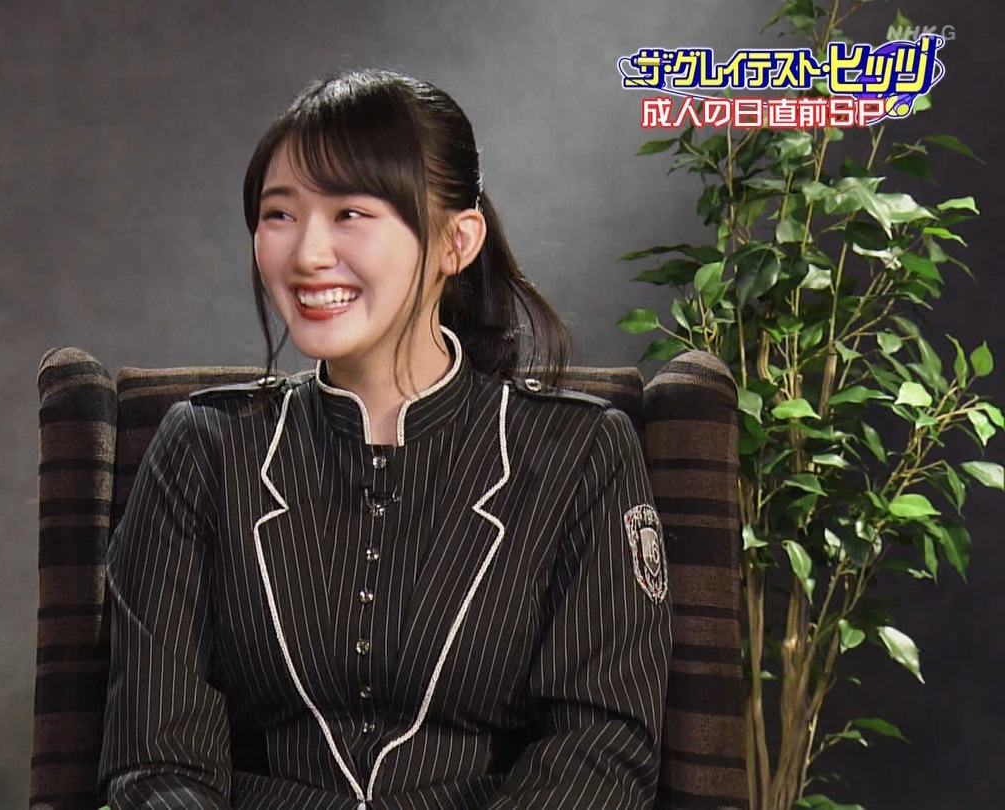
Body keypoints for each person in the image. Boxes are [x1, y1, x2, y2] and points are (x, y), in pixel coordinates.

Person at [98, 68, 671, 810]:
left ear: (456, 241)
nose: (307, 254)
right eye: (279, 214)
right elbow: (155, 758)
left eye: (350, 213)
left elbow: (600, 752)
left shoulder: (581, 454)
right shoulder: (203, 448)